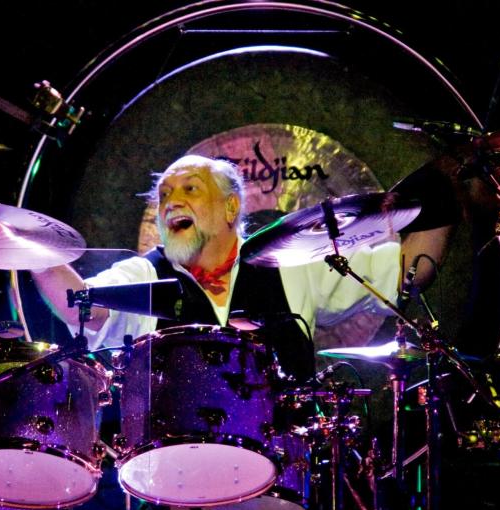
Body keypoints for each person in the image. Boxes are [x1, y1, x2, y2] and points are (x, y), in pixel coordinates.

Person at [30, 154, 452, 382]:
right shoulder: (144, 274)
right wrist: (33, 248)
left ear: (231, 206)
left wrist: (445, 193)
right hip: (167, 474)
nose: (171, 201)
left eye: (189, 189)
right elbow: (77, 304)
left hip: (282, 467)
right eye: (164, 195)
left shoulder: (291, 265)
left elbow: (408, 272)